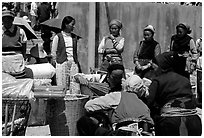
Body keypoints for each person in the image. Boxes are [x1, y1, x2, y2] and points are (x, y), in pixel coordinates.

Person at [145, 51, 202, 136]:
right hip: (193, 122)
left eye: (155, 68)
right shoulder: (185, 80)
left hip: (169, 123)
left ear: (162, 66)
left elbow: (149, 102)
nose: (154, 71)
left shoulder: (158, 81)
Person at [51, 16, 82, 91]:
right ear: (66, 24)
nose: (73, 26)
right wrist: (56, 61)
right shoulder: (58, 37)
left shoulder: (74, 37)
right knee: (62, 84)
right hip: (62, 62)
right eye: (72, 24)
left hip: (73, 62)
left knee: (74, 84)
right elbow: (53, 51)